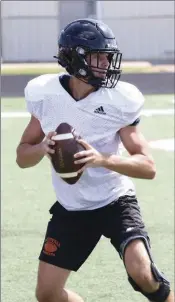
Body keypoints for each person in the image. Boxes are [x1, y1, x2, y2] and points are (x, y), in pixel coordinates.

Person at [16, 18, 174, 302]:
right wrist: (43, 147)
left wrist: (102, 159)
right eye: (96, 56)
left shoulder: (119, 99)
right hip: (72, 206)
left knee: (143, 274)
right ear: (73, 57)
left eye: (107, 56)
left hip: (115, 201)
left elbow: (148, 167)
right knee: (48, 295)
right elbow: (22, 157)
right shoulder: (45, 95)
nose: (105, 63)